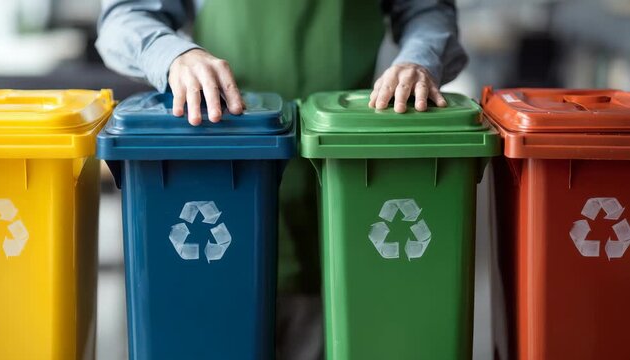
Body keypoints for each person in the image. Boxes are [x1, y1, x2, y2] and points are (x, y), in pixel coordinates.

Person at [97, 1, 467, 358]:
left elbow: (428, 10)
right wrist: (173, 56)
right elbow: (123, 16)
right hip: (216, 194)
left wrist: (419, 58)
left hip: (349, 206)